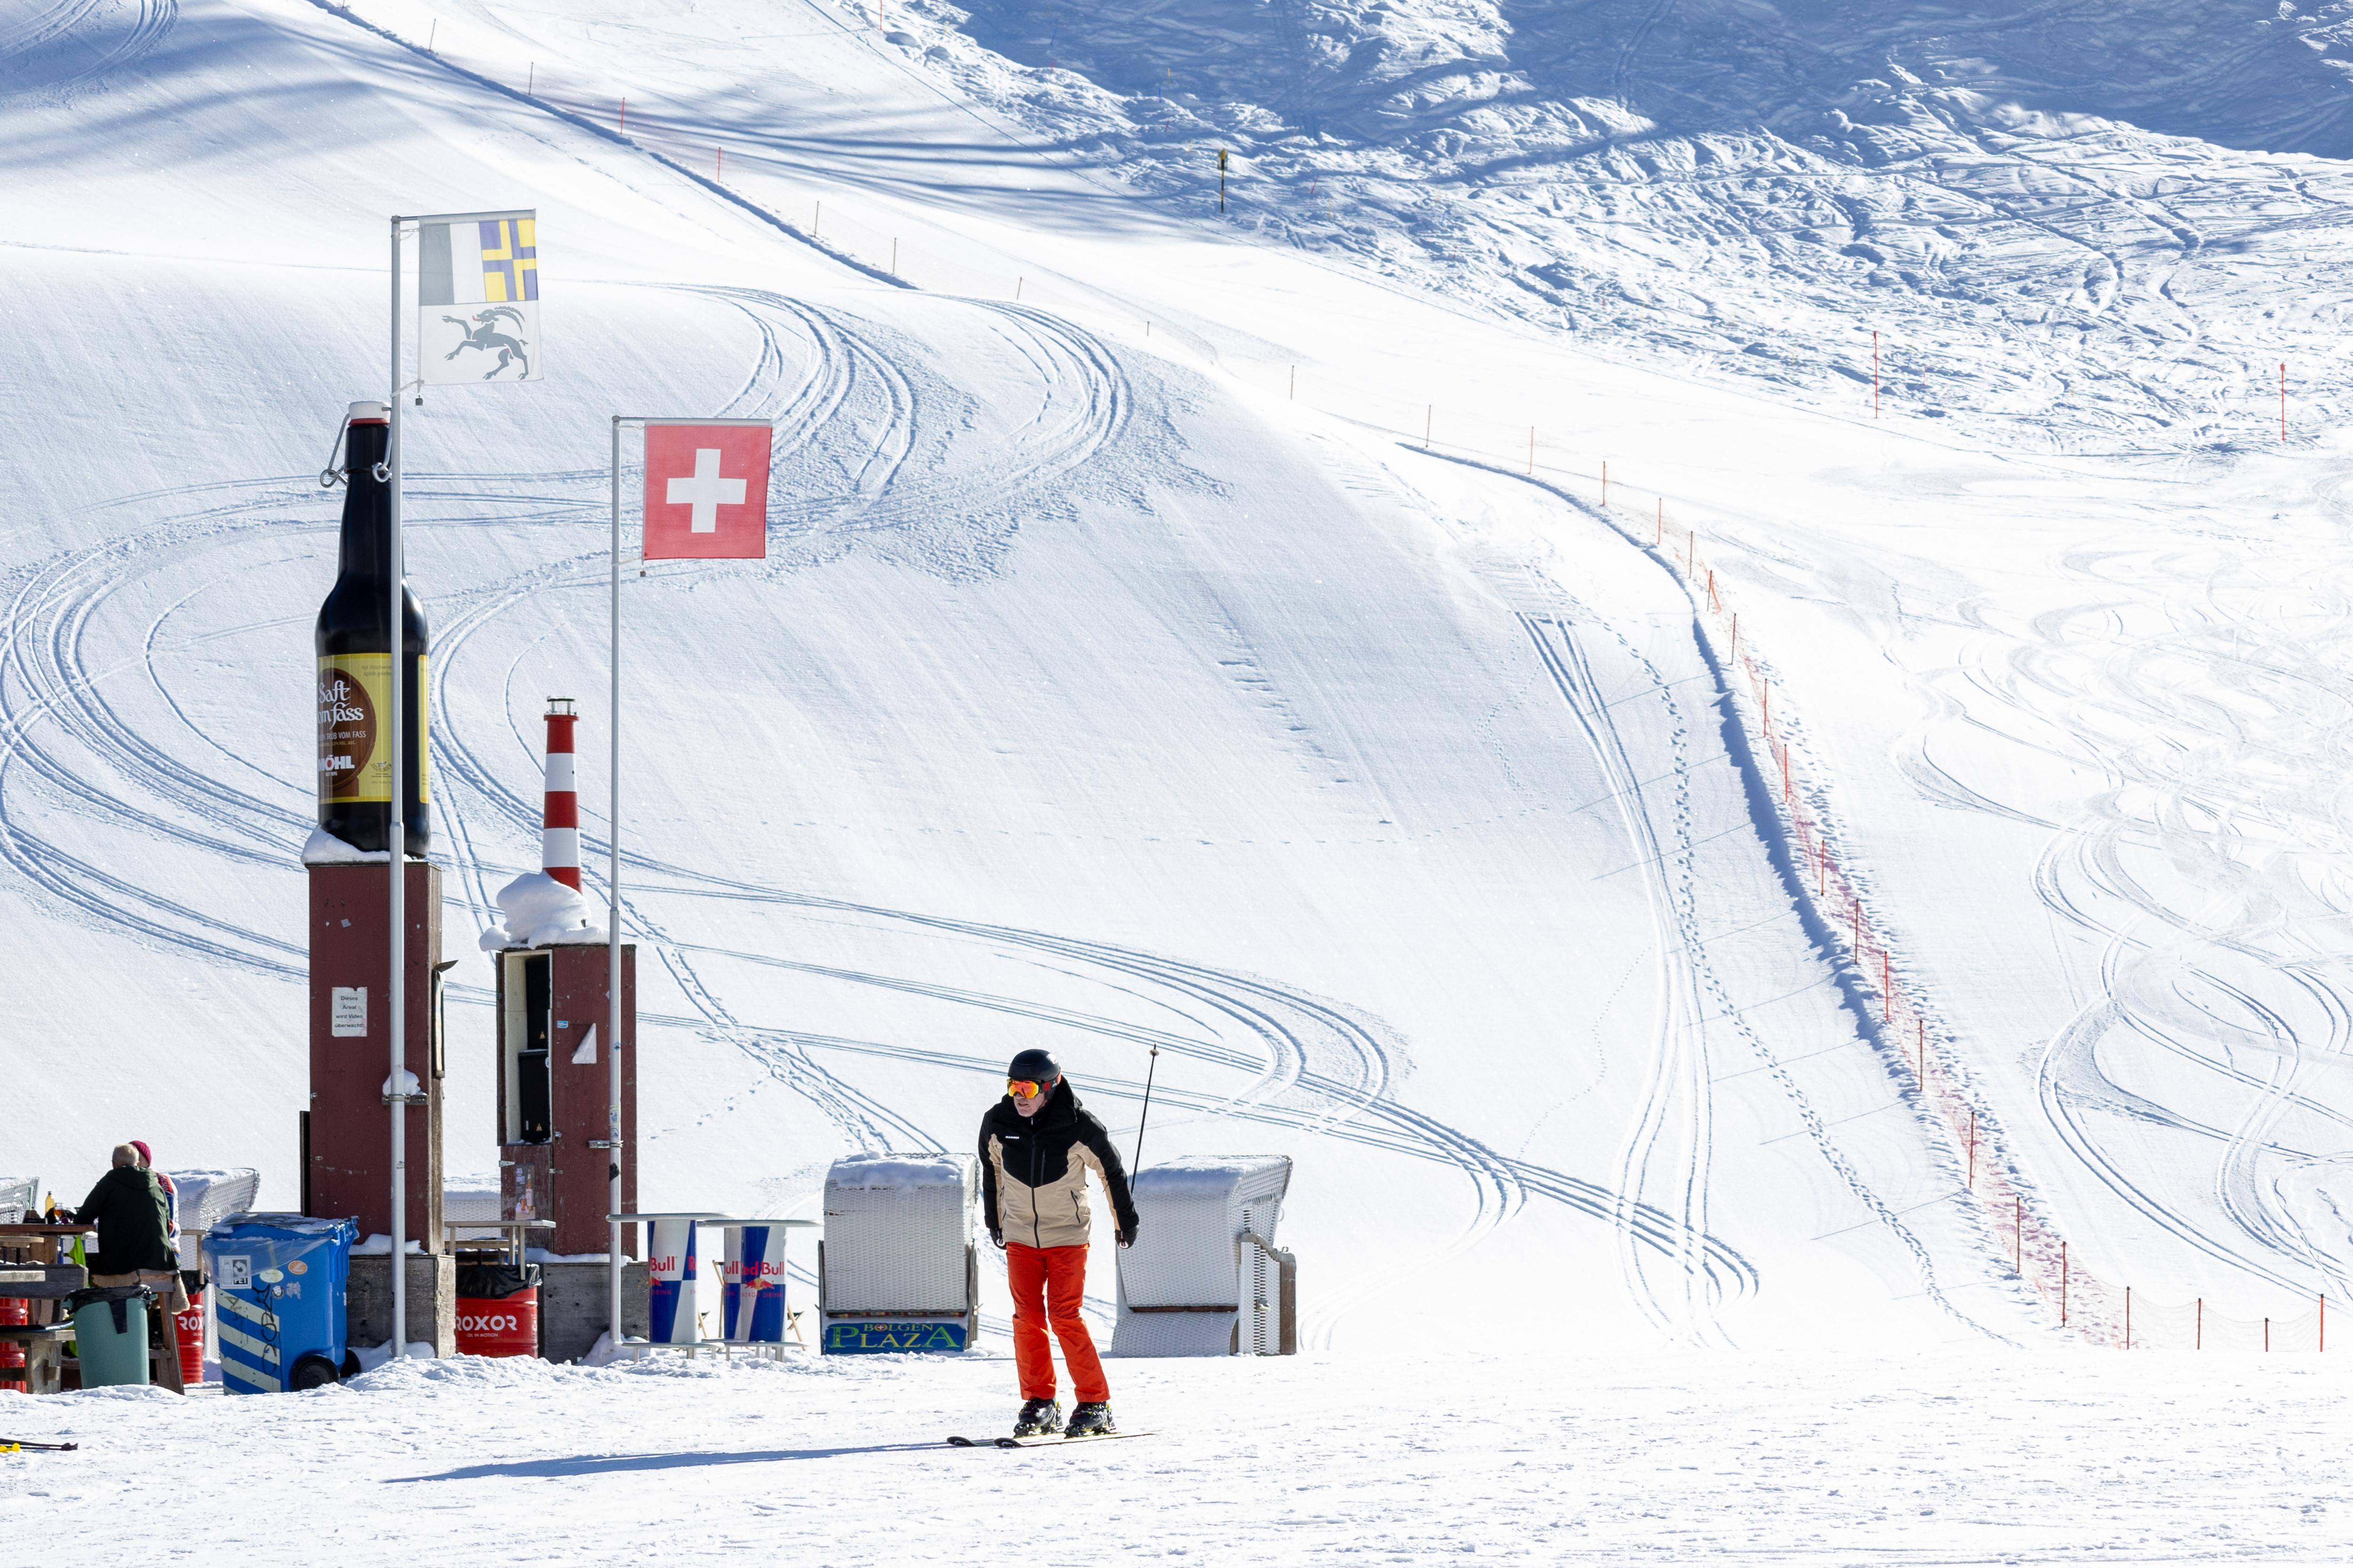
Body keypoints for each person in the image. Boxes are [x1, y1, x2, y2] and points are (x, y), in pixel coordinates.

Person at [979, 1048, 1138, 1438]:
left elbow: (1111, 1171)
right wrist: (994, 1220)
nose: (1020, 1095)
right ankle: (1040, 1403)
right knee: (1027, 1319)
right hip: (1020, 1236)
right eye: (1013, 1085)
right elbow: (991, 1170)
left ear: (1050, 1088)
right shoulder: (998, 1123)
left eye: (1028, 1087)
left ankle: (1095, 1402)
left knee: (1065, 1316)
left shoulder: (1079, 1125)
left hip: (1067, 1235)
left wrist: (1125, 1221)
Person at [74, 1143, 188, 1392]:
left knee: (85, 1274)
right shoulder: (158, 1182)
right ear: (138, 1163)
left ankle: (111, 1350)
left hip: (126, 1266)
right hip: (164, 1263)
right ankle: (166, 1375)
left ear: (114, 1164)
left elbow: (83, 1218)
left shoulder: (111, 1180)